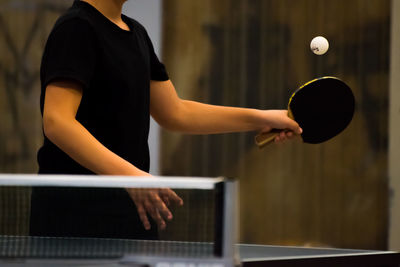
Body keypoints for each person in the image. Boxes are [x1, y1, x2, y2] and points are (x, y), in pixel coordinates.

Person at [30, 0, 302, 239]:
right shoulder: (76, 28)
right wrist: (133, 178)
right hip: (73, 214)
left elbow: (176, 113)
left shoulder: (135, 33)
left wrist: (260, 117)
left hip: (132, 210)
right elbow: (57, 122)